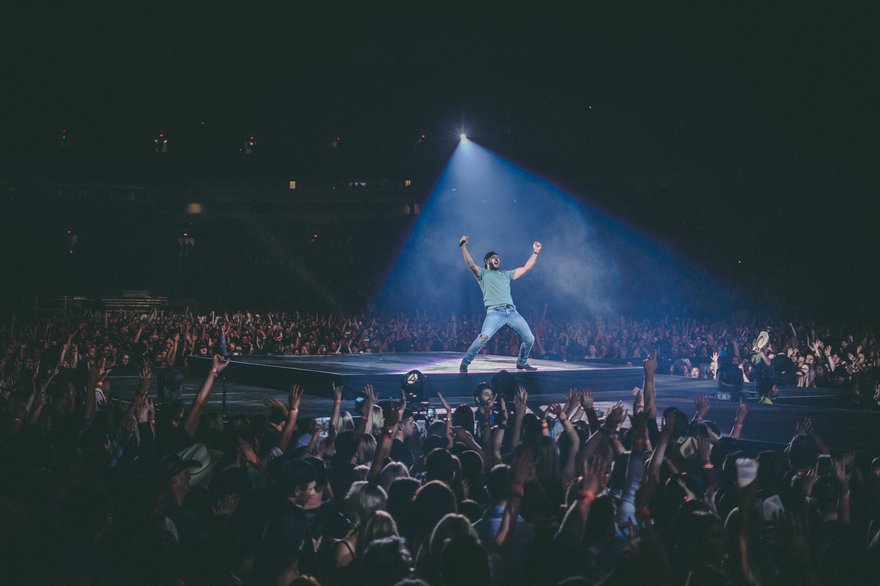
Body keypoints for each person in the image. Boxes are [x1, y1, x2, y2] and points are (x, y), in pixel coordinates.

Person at [458, 236, 542, 373]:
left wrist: (536, 252)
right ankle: (464, 364)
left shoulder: (506, 275)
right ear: (487, 261)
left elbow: (526, 268)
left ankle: (521, 363)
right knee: (483, 337)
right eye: (494, 257)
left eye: (498, 257)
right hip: (495, 312)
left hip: (512, 312)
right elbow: (471, 264)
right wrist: (463, 246)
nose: (497, 259)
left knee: (530, 339)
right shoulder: (483, 274)